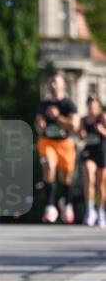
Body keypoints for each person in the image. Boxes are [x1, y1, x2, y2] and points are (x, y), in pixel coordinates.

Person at [35, 73, 79, 223]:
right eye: (50, 81)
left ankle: (66, 203)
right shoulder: (44, 104)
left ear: (62, 85)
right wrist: (40, 124)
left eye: (55, 81)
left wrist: (57, 117)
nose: (52, 83)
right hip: (47, 142)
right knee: (48, 164)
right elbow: (39, 122)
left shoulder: (68, 104)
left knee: (66, 176)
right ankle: (49, 206)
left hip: (65, 143)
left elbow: (74, 125)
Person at [79, 96, 106, 227]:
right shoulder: (84, 120)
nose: (91, 109)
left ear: (98, 107)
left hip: (102, 151)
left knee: (101, 183)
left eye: (94, 106)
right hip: (89, 151)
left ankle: (101, 211)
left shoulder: (103, 118)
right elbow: (79, 134)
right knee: (89, 175)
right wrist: (81, 133)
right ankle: (90, 210)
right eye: (89, 106)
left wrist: (102, 131)